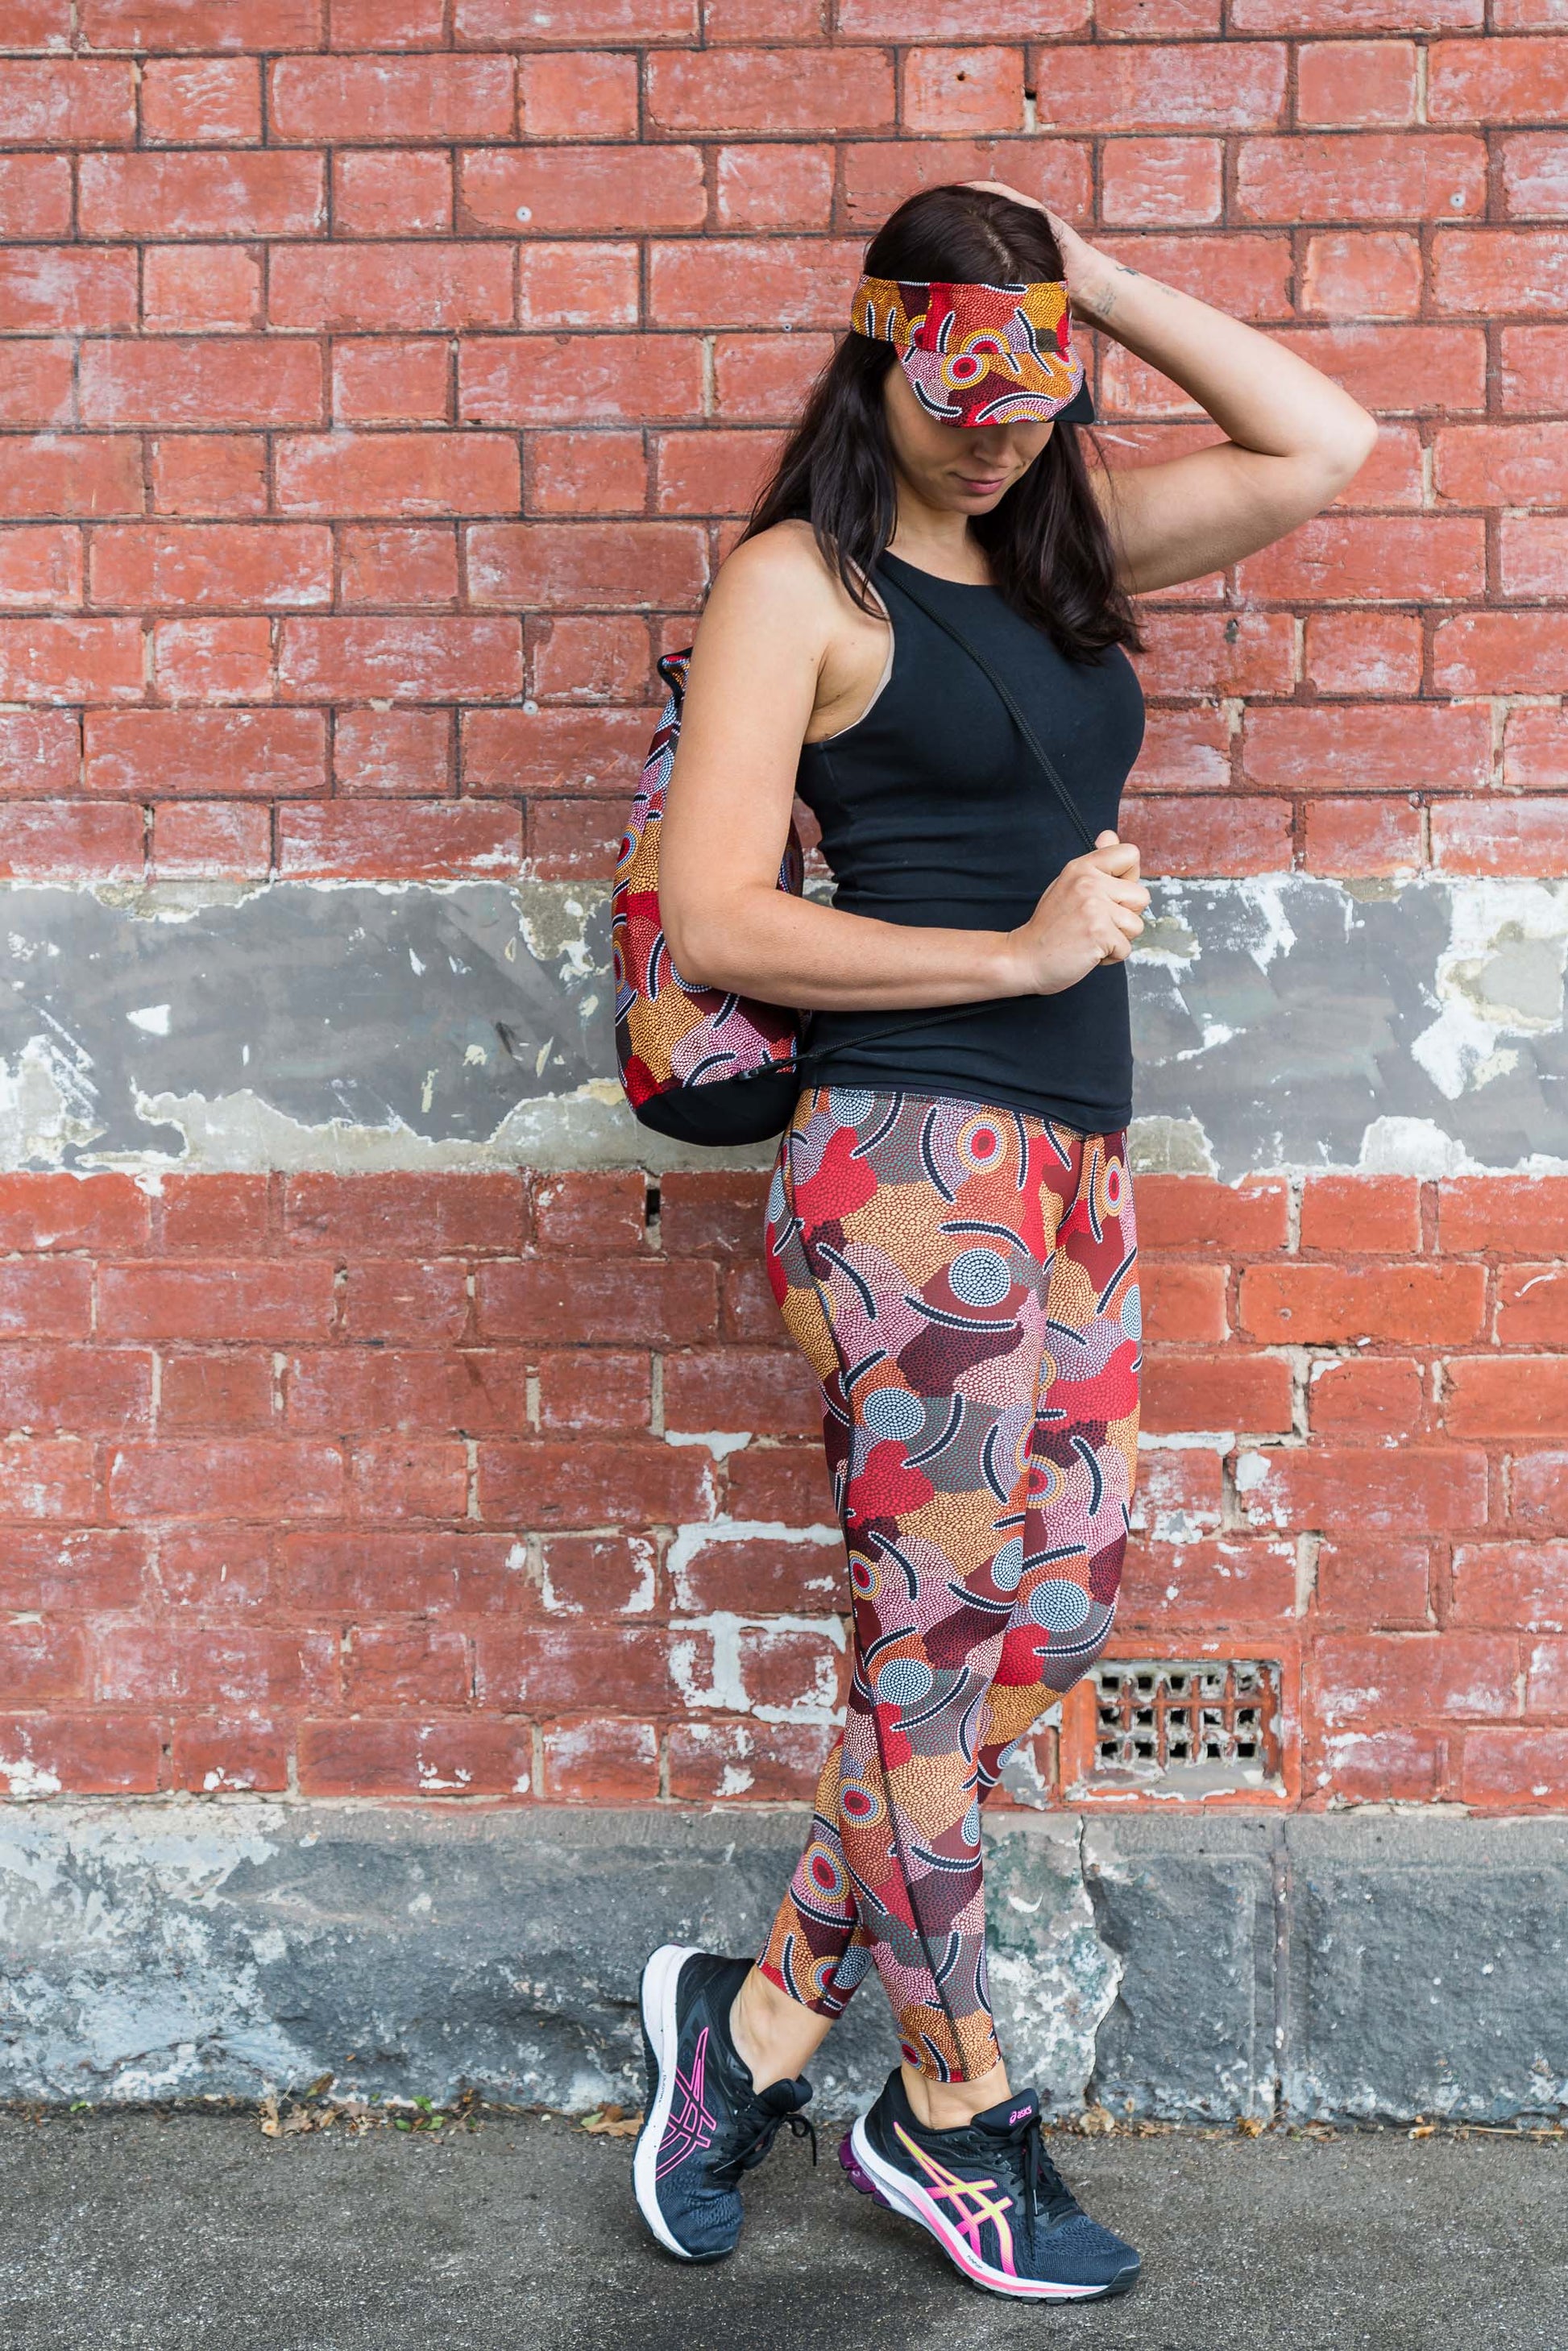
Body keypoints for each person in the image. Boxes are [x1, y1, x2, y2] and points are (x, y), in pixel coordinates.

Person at [629, 180, 1376, 2301]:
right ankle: (954, 2117)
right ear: (877, 359)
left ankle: (756, 2027)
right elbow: (718, 917)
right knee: (939, 1664)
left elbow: (1317, 444)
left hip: (1071, 1164)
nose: (989, 436)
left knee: (1042, 1624)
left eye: (1028, 396)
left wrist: (1088, 285)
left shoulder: (1066, 552)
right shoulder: (800, 583)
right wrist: (1017, 950)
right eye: (954, 394)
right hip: (905, 1162)